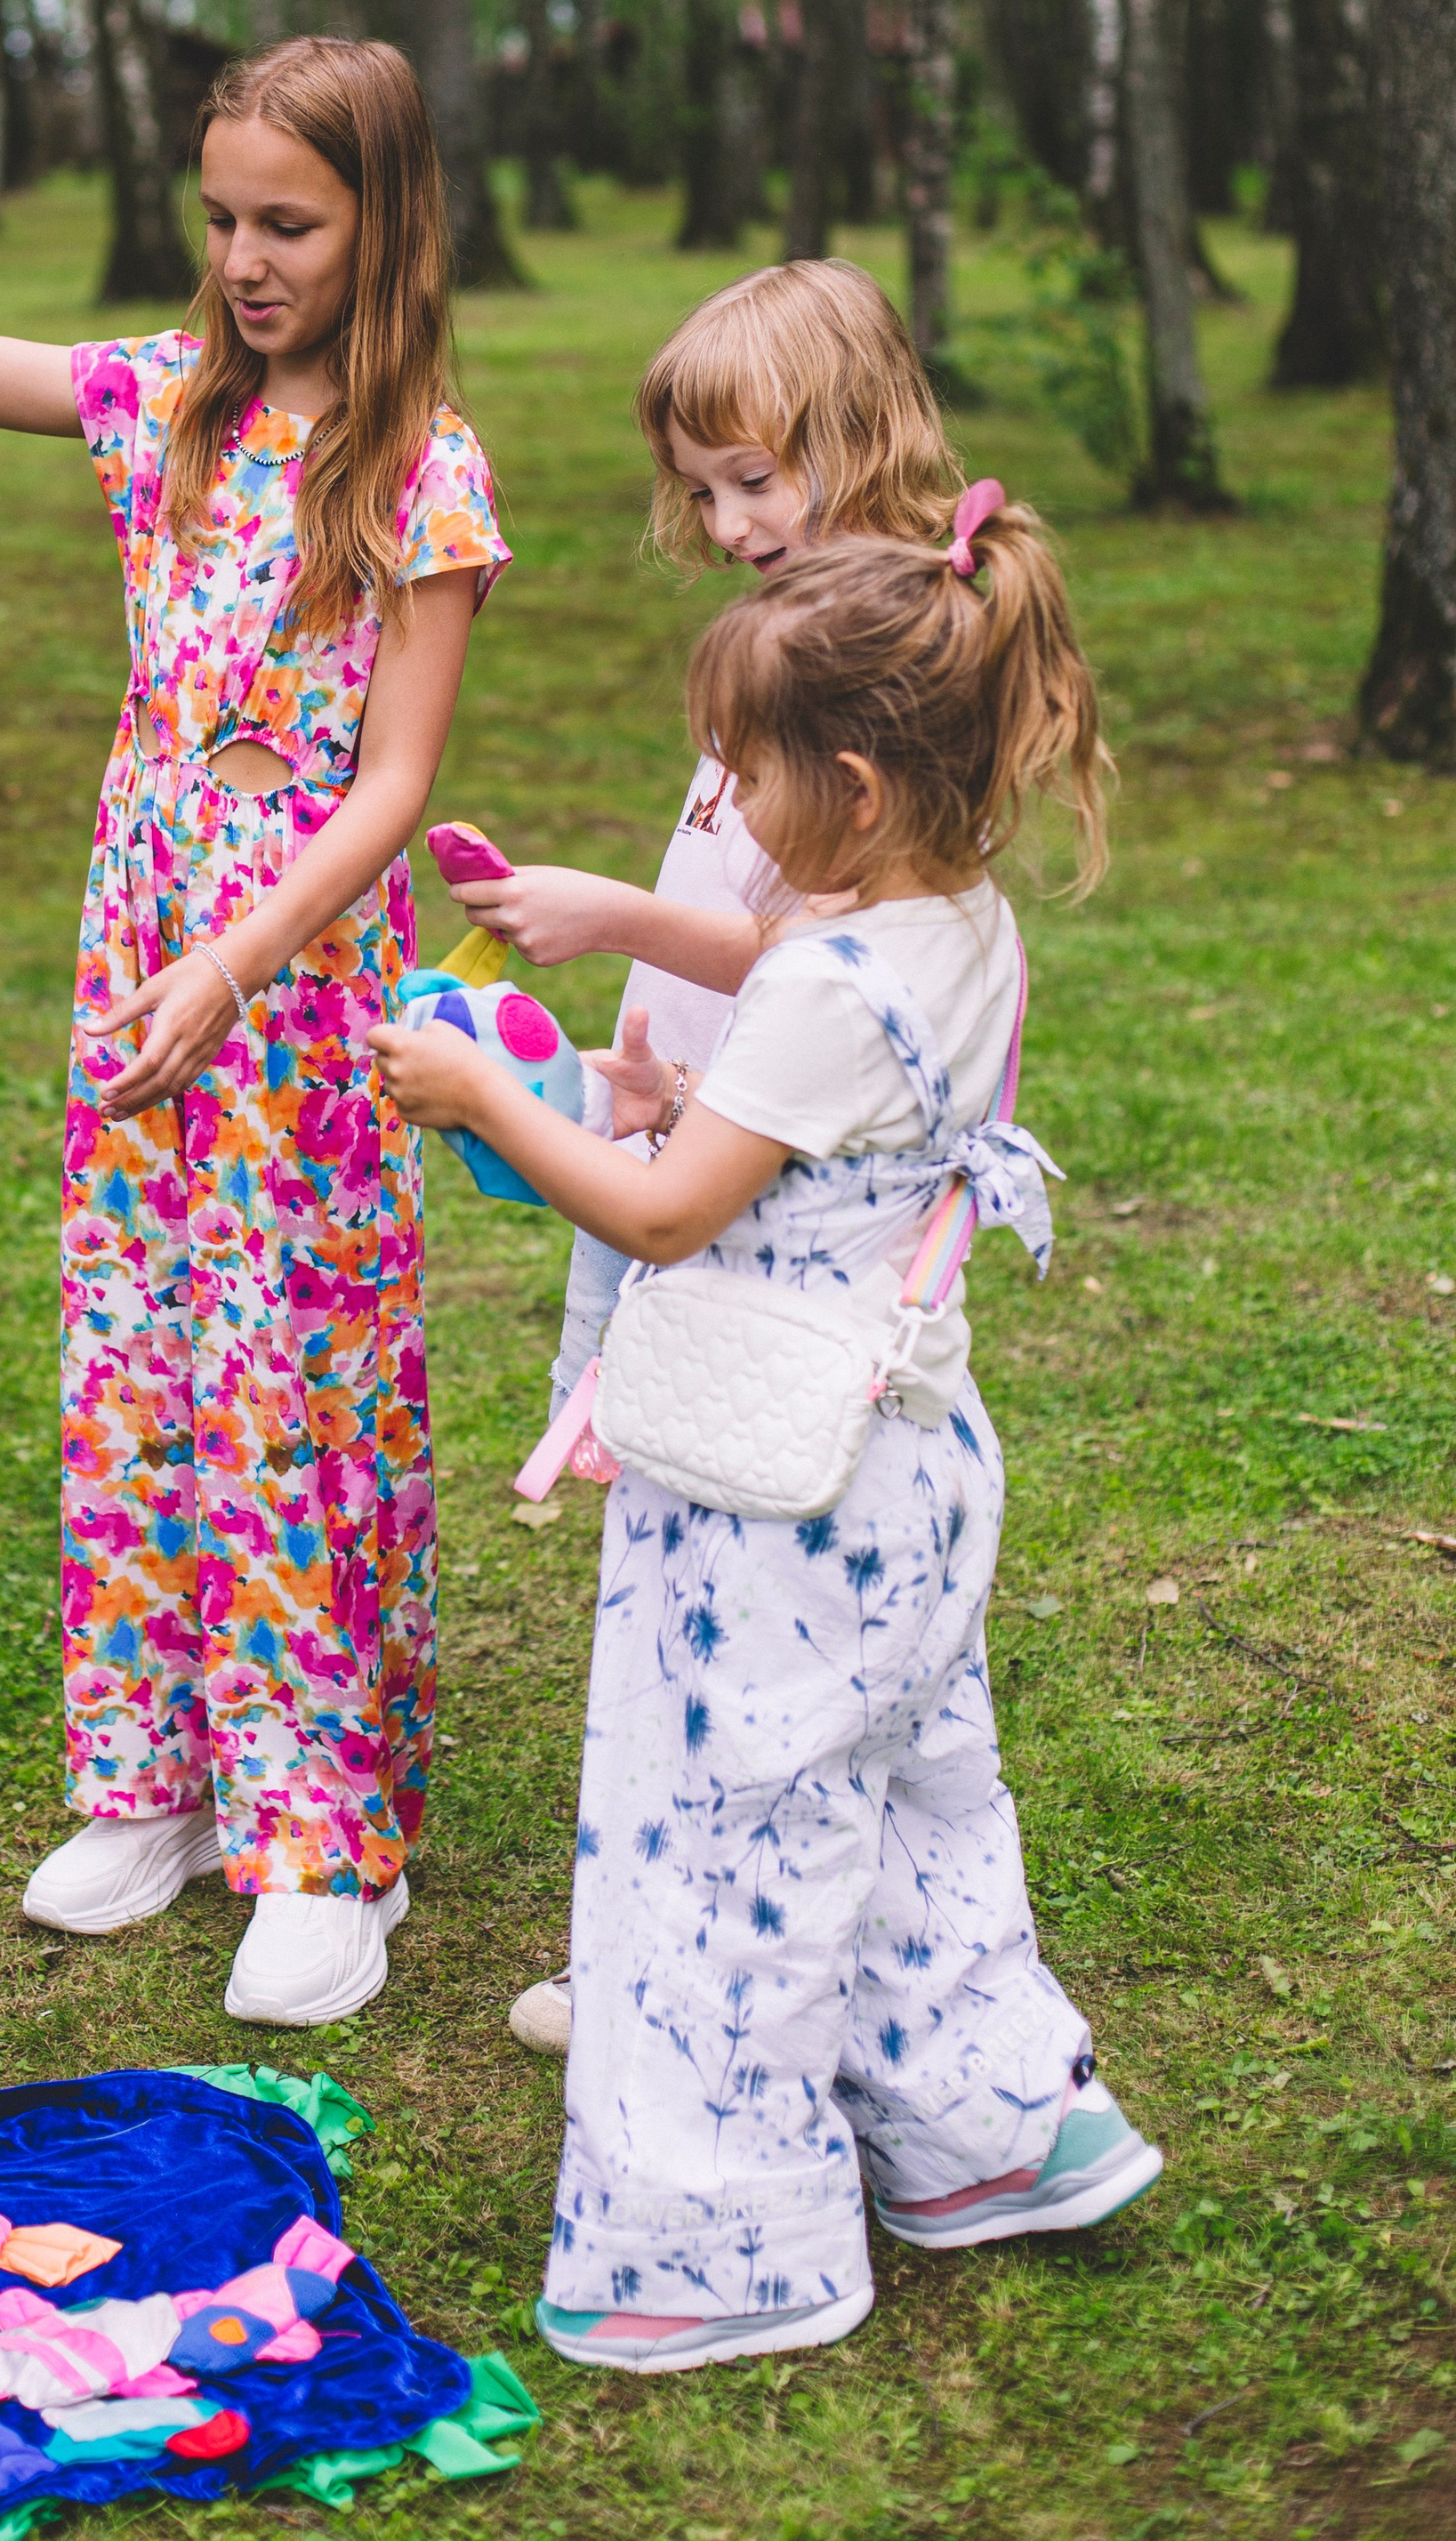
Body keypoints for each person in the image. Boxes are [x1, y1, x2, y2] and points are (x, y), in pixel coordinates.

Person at [372, 499, 1162, 2373]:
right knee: (906, 1807)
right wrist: (637, 1081)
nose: (718, 798)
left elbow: (653, 1215)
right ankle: (987, 2132)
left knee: (717, 1839)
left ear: (860, 786)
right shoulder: (948, 923)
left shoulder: (816, 981)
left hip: (768, 1499)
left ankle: (723, 2248)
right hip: (908, 1469)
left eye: (740, 772)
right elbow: (772, 1082)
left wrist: (492, 1088)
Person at [0, 19, 508, 2028]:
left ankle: (322, 1832)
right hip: (139, 957)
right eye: (218, 217)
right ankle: (152, 1781)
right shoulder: (167, 411)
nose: (245, 259)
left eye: (286, 221)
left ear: (382, 223)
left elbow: (391, 782)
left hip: (292, 991)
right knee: (135, 1347)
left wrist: (236, 965)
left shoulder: (417, 467)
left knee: (287, 1377)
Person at [437, 259, 961, 2053]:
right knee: (668, 1561)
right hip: (687, 1149)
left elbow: (853, 956)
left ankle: (707, 1935)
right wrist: (632, 1057)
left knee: (727, 1577)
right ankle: (669, 1915)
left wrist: (605, 918)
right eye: (706, 485)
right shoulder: (780, 641)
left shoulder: (870, 673)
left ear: (856, 441)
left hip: (758, 1212)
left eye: (760, 479)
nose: (728, 521)